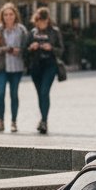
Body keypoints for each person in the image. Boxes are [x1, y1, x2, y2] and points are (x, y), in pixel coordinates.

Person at [0, 3, 30, 133]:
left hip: (16, 67)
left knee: (14, 94)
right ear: (2, 16)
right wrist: (5, 49)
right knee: (0, 94)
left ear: (15, 15)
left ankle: (13, 122)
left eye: (11, 14)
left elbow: (26, 48)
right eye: (5, 15)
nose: (8, 17)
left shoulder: (21, 29)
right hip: (1, 66)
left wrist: (20, 51)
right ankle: (0, 121)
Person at [26, 7, 63, 135]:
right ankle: (42, 119)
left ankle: (44, 121)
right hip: (36, 67)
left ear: (48, 20)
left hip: (50, 65)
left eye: (43, 21)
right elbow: (25, 49)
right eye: (38, 21)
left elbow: (61, 49)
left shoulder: (54, 32)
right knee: (40, 94)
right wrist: (31, 47)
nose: (41, 23)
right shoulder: (32, 32)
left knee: (44, 92)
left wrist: (51, 48)